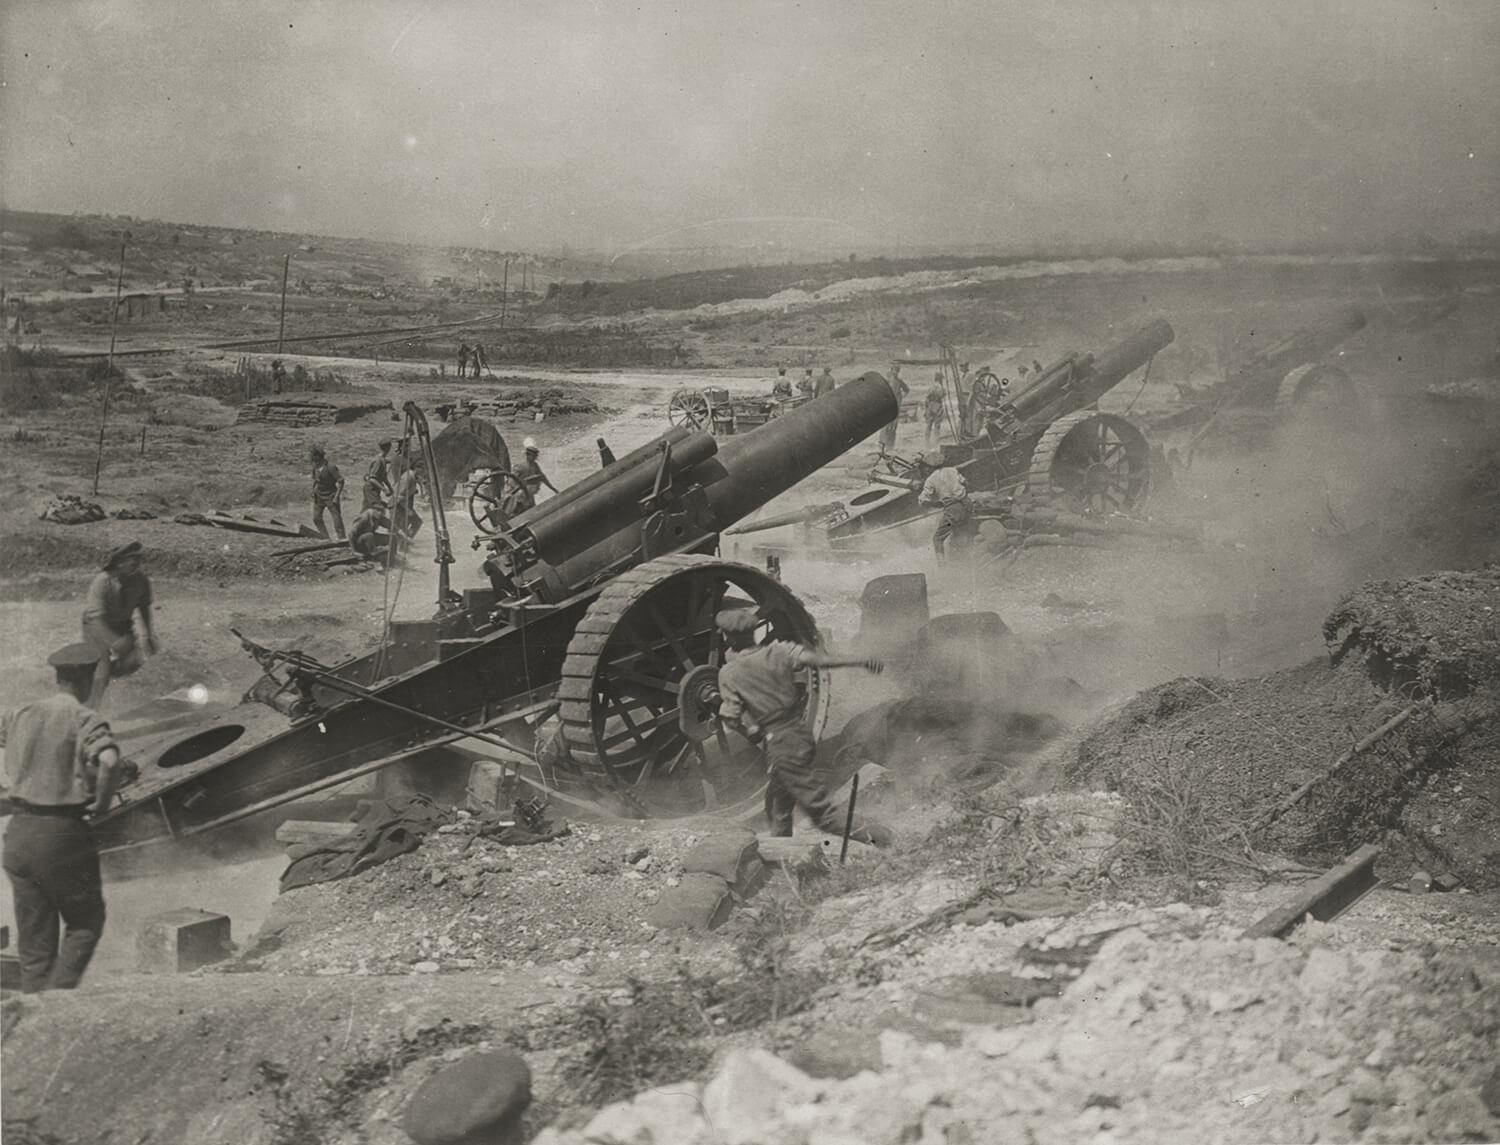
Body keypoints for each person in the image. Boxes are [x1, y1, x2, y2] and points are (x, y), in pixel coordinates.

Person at [1, 642, 126, 993]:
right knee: (86, 921)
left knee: (35, 940)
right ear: (87, 680)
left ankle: (33, 1014)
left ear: (58, 678)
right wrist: (101, 804)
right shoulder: (83, 717)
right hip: (61, 833)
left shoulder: (21, 712)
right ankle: (57, 1002)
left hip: (19, 833)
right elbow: (110, 761)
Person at [713, 608, 892, 845]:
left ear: (728, 638)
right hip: (800, 735)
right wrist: (861, 660)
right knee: (778, 805)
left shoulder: (729, 673)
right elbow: (820, 660)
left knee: (822, 816)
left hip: (781, 744)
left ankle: (885, 838)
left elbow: (731, 716)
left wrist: (750, 727)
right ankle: (783, 857)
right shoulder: (781, 651)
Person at [81, 541, 158, 705]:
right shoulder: (102, 582)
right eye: (132, 559)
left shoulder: (141, 581)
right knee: (102, 671)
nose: (136, 563)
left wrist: (148, 635)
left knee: (131, 664)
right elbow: (96, 619)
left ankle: (90, 675)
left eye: (138, 558)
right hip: (96, 628)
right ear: (119, 562)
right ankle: (90, 710)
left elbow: (144, 608)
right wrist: (115, 642)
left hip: (123, 626)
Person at [920, 464, 974, 560]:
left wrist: (937, 504)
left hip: (953, 510)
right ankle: (966, 558)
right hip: (967, 505)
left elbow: (923, 502)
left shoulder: (930, 479)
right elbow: (967, 483)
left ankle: (942, 567)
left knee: (937, 539)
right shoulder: (953, 470)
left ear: (928, 467)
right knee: (961, 532)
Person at [310, 445, 346, 540]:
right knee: (316, 518)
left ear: (319, 456)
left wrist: (336, 496)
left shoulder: (331, 467)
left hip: (331, 495)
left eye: (314, 455)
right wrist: (313, 490)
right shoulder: (315, 466)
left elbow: (341, 481)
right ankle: (325, 537)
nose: (312, 457)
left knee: (336, 519)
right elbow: (316, 480)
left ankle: (342, 539)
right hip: (319, 495)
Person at [513, 438, 559, 506]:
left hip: (529, 495)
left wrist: (554, 489)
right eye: (533, 456)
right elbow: (511, 480)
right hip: (519, 495)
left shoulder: (535, 466)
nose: (535, 458)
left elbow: (543, 478)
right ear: (527, 455)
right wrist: (518, 490)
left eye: (535, 456)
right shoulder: (520, 466)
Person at [879, 363, 910, 453]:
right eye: (894, 370)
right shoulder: (887, 381)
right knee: (885, 426)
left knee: (893, 426)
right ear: (891, 370)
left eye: (897, 371)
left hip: (896, 407)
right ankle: (882, 445)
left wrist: (901, 398)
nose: (895, 372)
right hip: (888, 406)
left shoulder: (899, 382)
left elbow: (907, 389)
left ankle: (890, 446)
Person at [362, 438, 394, 511]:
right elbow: (372, 479)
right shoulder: (378, 461)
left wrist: (390, 488)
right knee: (378, 508)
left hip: (375, 487)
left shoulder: (382, 459)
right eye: (390, 446)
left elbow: (384, 477)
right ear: (387, 447)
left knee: (367, 509)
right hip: (371, 488)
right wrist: (384, 489)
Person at [924, 371, 947, 448]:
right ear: (940, 379)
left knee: (928, 425)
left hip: (930, 405)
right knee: (937, 425)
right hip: (938, 406)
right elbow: (943, 396)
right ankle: (935, 443)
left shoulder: (931, 387)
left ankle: (926, 442)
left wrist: (926, 408)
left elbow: (927, 398)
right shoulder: (941, 388)